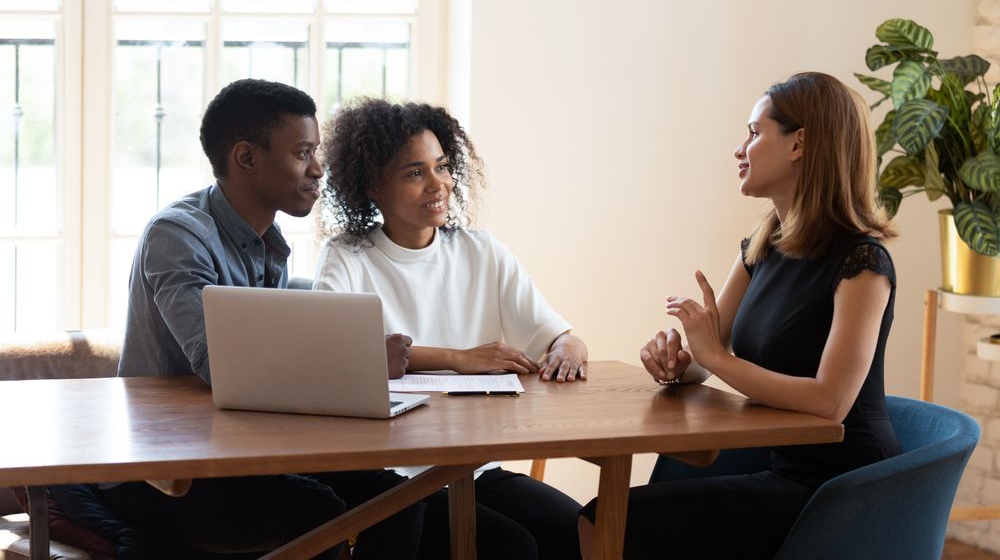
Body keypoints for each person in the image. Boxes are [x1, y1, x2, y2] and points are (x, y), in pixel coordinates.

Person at [578, 72, 902, 560]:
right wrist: (677, 362)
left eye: (754, 132)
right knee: (609, 515)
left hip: (844, 489)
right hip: (781, 468)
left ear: (800, 144)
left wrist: (713, 355)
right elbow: (707, 355)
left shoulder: (863, 262)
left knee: (613, 520)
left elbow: (830, 401)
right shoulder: (762, 246)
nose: (740, 148)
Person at [98, 79, 423, 560]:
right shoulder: (178, 235)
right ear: (247, 158)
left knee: (401, 500)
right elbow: (223, 367)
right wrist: (356, 361)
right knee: (318, 510)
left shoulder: (268, 242)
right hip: (166, 469)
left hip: (238, 449)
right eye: (303, 153)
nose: (319, 170)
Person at [314, 98, 586, 560]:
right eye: (415, 173)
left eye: (441, 166)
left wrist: (569, 350)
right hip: (395, 479)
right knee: (512, 548)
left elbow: (559, 333)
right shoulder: (348, 256)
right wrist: (458, 359)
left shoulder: (482, 252)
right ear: (374, 186)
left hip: (476, 467)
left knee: (573, 529)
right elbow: (332, 351)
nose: (438, 184)